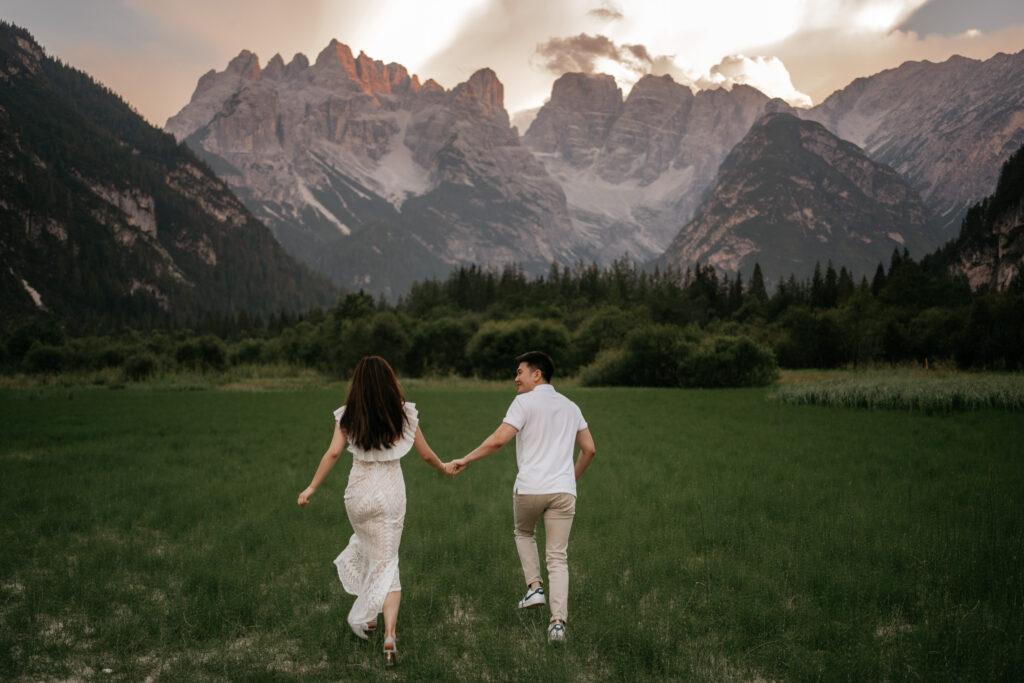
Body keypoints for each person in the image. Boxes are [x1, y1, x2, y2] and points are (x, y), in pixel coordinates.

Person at [298, 356, 452, 667]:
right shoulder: (404, 415)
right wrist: (444, 467)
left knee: (372, 553)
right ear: (390, 382)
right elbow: (426, 455)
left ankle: (369, 617)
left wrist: (311, 487)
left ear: (357, 385)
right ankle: (389, 635)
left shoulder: (348, 416)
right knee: (387, 561)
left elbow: (332, 452)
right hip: (391, 495)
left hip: (358, 495)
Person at [450, 351, 596, 644]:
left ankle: (534, 587)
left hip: (530, 488)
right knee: (558, 557)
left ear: (536, 374)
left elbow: (499, 439)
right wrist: (571, 479)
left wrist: (466, 458)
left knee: (523, 532)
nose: (515, 379)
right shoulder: (571, 406)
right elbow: (589, 449)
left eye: (519, 372)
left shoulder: (524, 402)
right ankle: (557, 624)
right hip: (563, 491)